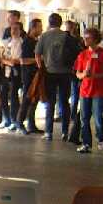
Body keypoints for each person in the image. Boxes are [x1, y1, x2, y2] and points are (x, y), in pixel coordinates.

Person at [74, 27, 103, 154]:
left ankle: (100, 138)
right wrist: (83, 75)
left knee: (98, 116)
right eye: (84, 37)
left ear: (95, 39)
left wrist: (96, 76)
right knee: (84, 118)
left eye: (88, 38)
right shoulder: (82, 54)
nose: (85, 40)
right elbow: (77, 73)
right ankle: (86, 143)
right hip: (85, 91)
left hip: (99, 91)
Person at [35, 13, 77, 141]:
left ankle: (48, 132)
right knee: (64, 102)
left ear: (49, 22)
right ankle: (65, 132)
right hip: (65, 72)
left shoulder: (44, 36)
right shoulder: (67, 36)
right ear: (60, 23)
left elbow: (37, 54)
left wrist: (41, 67)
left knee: (50, 102)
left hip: (50, 72)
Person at [15, 18, 44, 134]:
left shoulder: (36, 41)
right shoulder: (27, 42)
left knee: (34, 99)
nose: (41, 29)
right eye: (39, 27)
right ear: (33, 28)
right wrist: (38, 59)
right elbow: (23, 60)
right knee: (27, 98)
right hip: (28, 75)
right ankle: (19, 122)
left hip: (35, 74)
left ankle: (31, 124)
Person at [0, 22, 25, 131]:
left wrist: (6, 61)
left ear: (20, 30)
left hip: (15, 73)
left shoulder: (21, 42)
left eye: (16, 29)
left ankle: (14, 120)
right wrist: (5, 60)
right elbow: (3, 57)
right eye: (12, 29)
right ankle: (6, 119)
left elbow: (15, 61)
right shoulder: (8, 42)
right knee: (3, 95)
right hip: (6, 72)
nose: (13, 31)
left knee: (14, 96)